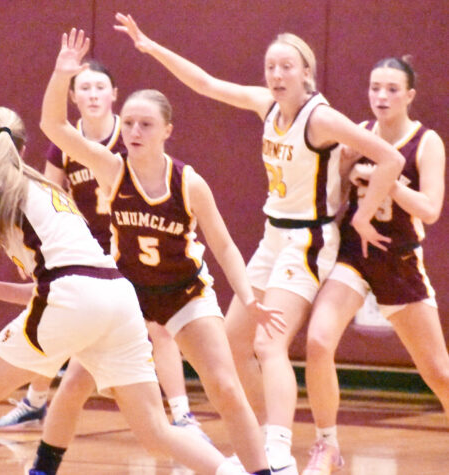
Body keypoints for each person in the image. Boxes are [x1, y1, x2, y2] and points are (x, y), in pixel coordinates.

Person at [114, 13, 406, 474]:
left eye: (286, 66)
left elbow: (389, 157)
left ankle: (278, 444)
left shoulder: (322, 118)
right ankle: (265, 439)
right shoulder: (264, 105)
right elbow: (206, 83)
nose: (276, 75)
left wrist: (363, 214)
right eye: (271, 66)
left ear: (306, 72)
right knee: (233, 341)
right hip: (274, 236)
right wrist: (151, 46)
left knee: (270, 344)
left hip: (309, 239)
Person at [0, 106, 251, 475]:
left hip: (72, 297)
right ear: (22, 150)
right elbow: (64, 282)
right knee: (155, 430)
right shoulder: (44, 187)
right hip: (117, 297)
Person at [35, 29, 288, 475]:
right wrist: (61, 74)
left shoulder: (189, 182)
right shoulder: (111, 169)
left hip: (185, 293)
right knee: (75, 382)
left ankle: (261, 472)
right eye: (128, 122)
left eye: (145, 124)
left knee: (226, 387)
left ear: (167, 131)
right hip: (129, 298)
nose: (133, 131)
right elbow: (53, 126)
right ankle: (41, 468)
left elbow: (225, 246)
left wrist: (248, 297)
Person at [0, 60, 208, 440]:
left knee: (158, 329)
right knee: (54, 319)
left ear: (114, 95)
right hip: (84, 253)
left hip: (131, 248)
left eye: (99, 87)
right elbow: (49, 194)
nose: (92, 95)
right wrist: (37, 253)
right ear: (72, 96)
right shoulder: (65, 145)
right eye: (85, 88)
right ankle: (36, 399)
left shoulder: (128, 139)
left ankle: (181, 414)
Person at [302, 57, 449, 475]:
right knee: (317, 341)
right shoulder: (359, 133)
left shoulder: (426, 141)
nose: (381, 96)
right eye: (374, 88)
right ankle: (327, 446)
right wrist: (347, 167)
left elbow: (431, 209)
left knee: (439, 374)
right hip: (354, 257)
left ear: (409, 96)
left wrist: (391, 179)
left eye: (391, 89)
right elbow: (333, 193)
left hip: (399, 263)